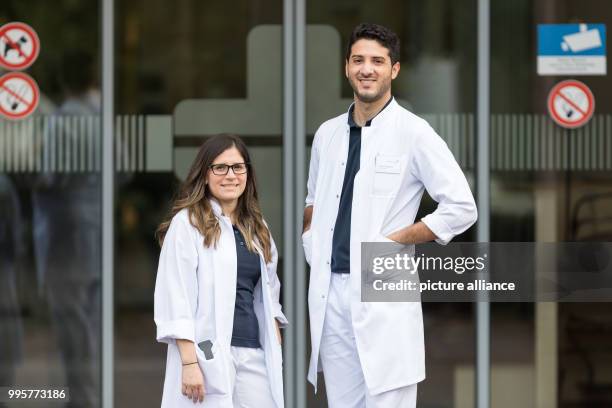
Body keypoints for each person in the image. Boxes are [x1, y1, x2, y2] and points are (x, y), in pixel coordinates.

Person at [302, 23, 478, 408]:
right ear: (346, 67)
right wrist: (311, 238)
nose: (367, 69)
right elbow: (313, 199)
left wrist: (393, 243)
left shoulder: (415, 133)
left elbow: (462, 207)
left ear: (394, 70)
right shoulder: (327, 135)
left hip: (385, 287)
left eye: (377, 61)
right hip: (330, 291)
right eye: (359, 60)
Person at [154, 134, 288, 407]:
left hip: (254, 353)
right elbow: (176, 297)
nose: (230, 175)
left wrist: (275, 342)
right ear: (205, 175)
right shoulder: (187, 224)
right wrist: (189, 363)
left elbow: (269, 295)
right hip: (207, 354)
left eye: (238, 167)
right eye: (220, 167)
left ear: (247, 175)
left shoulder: (258, 228)